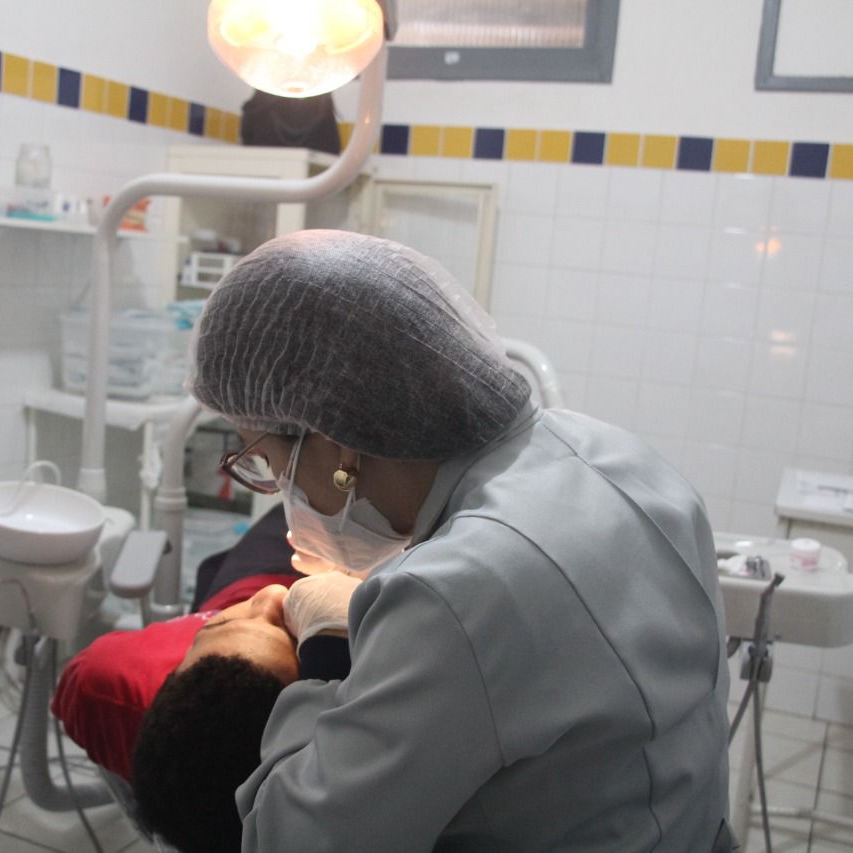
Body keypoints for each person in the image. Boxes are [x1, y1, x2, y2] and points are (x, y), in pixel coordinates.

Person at [185, 229, 734, 852]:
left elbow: (291, 841)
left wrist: (327, 649)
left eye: (265, 460)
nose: (278, 486)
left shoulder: (451, 597)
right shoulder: (623, 458)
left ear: (336, 443)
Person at [51, 504, 350, 853]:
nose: (271, 596)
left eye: (220, 625)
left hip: (244, 579)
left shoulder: (114, 685)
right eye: (288, 634)